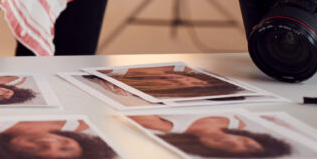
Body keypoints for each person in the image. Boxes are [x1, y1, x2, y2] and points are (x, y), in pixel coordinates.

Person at [0, 120, 117, 159]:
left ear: (10, 151)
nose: (51, 144)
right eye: (65, 148)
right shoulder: (82, 123)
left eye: (38, 150)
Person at [128, 114, 292, 159]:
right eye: (249, 145)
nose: (233, 142)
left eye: (228, 148)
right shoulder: (238, 122)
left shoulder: (164, 126)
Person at [99, 65, 245, 99]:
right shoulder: (173, 67)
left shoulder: (119, 90)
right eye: (198, 82)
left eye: (192, 86)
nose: (186, 80)